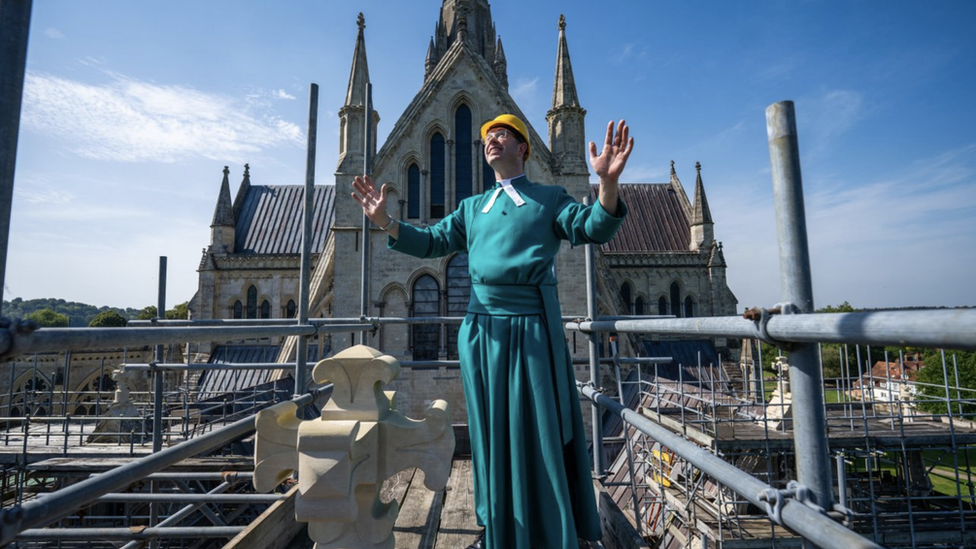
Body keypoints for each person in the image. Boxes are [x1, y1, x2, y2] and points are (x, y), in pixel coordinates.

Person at [352, 114, 633, 549]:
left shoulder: (549, 198)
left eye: (501, 134)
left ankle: (546, 529)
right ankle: (502, 525)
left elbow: (592, 227)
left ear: (524, 148)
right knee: (490, 432)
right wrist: (387, 222)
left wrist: (607, 185)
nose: (491, 141)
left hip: (532, 333)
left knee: (538, 430)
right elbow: (429, 243)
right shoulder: (471, 208)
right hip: (481, 334)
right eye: (487, 137)